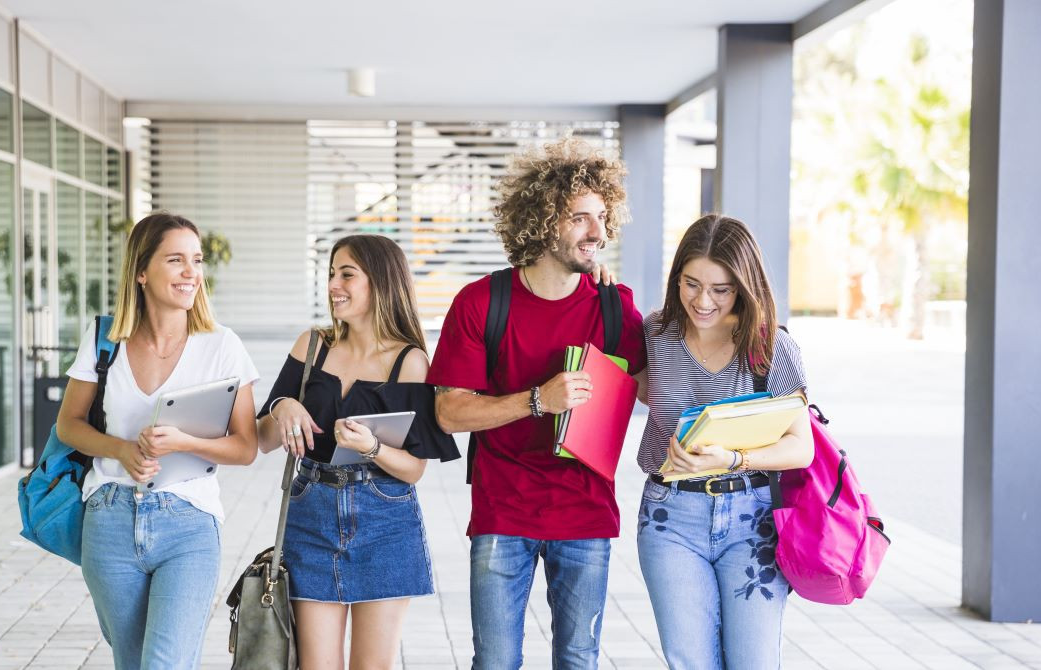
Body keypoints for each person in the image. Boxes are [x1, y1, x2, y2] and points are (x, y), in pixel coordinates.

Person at [428, 138, 646, 669]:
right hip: (505, 511)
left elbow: (655, 392)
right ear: (540, 220)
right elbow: (450, 411)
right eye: (579, 218)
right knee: (495, 661)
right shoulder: (482, 302)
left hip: (586, 513)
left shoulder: (616, 308)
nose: (597, 233)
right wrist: (536, 401)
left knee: (579, 659)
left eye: (601, 217)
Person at [56, 213, 261, 668]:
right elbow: (68, 425)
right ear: (142, 272)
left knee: (163, 664)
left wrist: (186, 441)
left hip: (188, 523)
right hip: (108, 519)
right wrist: (122, 450)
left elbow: (245, 447)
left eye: (197, 260)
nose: (192, 272)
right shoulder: (105, 339)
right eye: (176, 260)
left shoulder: (222, 345)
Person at [255, 234, 460, 670]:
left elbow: (413, 470)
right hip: (310, 514)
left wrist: (372, 446)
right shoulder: (311, 346)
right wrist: (282, 404)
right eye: (331, 273)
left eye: (347, 274)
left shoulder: (410, 361)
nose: (334, 285)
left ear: (381, 282)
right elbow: (263, 438)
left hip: (384, 521)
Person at [635, 214, 813, 670]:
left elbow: (801, 446)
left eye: (720, 289)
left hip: (752, 521)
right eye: (691, 284)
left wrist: (735, 458)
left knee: (753, 662)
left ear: (743, 286)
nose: (703, 301)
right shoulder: (655, 336)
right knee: (690, 662)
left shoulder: (769, 346)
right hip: (669, 517)